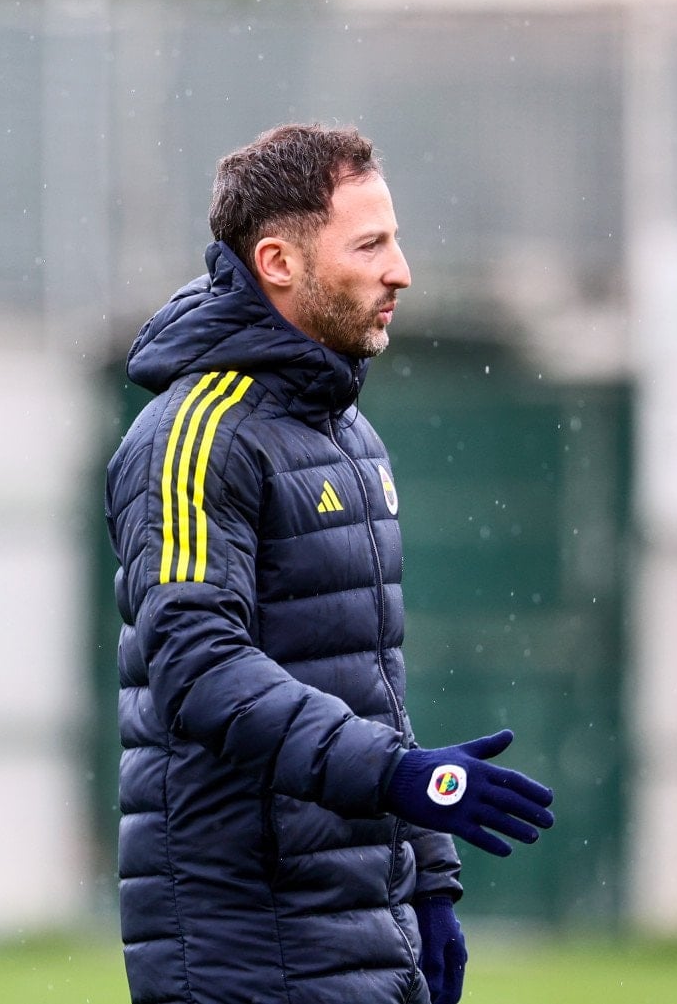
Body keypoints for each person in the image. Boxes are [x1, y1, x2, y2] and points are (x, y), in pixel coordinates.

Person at [104, 122, 555, 1004]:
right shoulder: (196, 434)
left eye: (395, 240)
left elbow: (367, 682)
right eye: (370, 244)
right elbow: (200, 668)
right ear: (278, 261)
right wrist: (399, 776)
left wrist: (430, 879)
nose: (402, 271)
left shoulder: (347, 434)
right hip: (247, 947)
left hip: (363, 928)